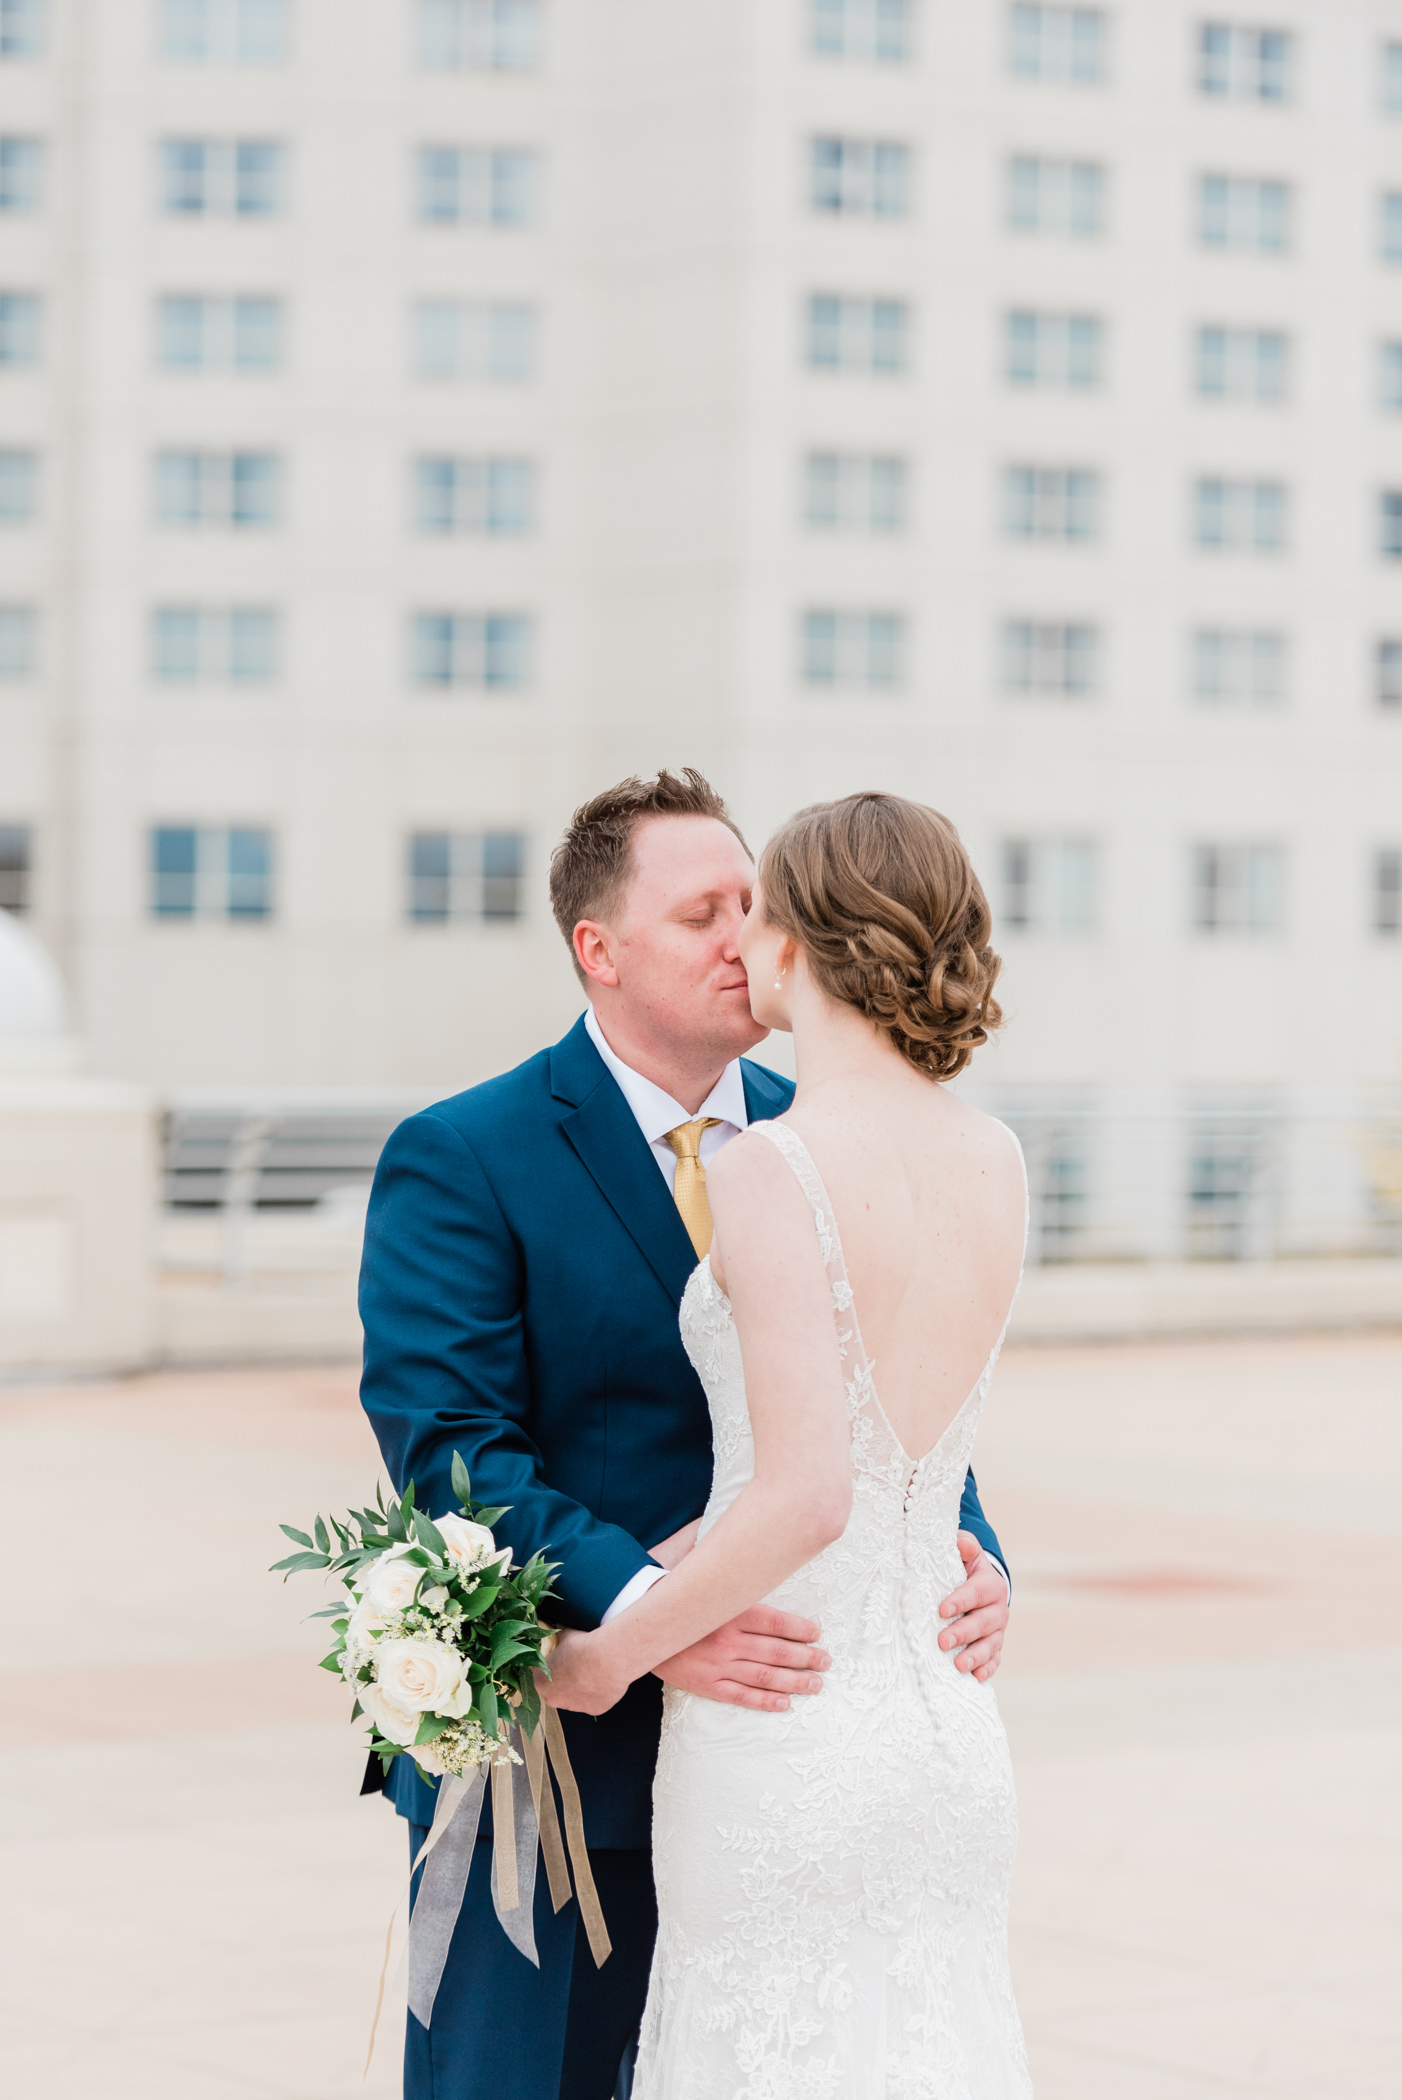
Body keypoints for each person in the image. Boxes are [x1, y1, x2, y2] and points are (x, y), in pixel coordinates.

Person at [358, 771, 1012, 2100]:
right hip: (569, 1786)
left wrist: (970, 1557)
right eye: (701, 911)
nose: (742, 938)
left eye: (752, 906)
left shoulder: (822, 1129)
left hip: (804, 1751)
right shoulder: (466, 1152)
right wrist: (655, 1613)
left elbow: (891, 1401)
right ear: (597, 950)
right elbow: (452, 1450)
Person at [541, 790, 1032, 2095]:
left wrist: (601, 1659)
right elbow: (896, 1462)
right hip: (944, 1732)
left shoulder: (772, 1165)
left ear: (798, 946)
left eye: (751, 911)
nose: (735, 938)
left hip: (789, 1729)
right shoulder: (994, 1156)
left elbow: (810, 1491)